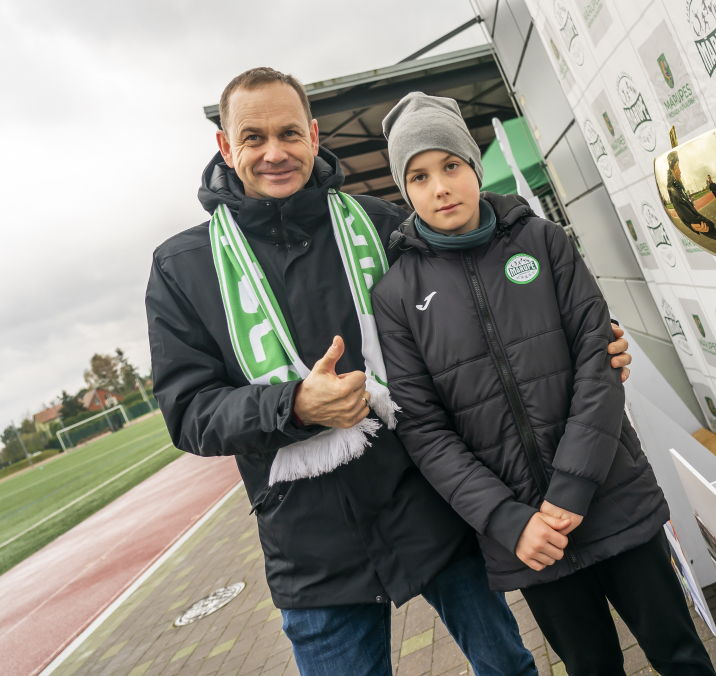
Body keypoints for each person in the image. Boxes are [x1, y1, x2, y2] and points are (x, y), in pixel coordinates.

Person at [145, 69, 633, 676]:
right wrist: (292, 405)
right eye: (254, 137)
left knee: (509, 668)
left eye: (290, 133)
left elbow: (482, 320)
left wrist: (589, 349)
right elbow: (188, 413)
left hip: (430, 511)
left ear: (316, 136)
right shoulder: (182, 267)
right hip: (311, 550)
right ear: (225, 147)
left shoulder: (381, 225)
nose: (275, 153)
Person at [372, 93, 716, 676]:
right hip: (527, 538)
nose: (440, 188)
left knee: (679, 654)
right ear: (406, 191)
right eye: (419, 176)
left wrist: (569, 493)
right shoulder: (397, 295)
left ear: (473, 167)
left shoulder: (543, 242)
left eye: (451, 166)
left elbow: (598, 360)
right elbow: (426, 431)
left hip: (609, 498)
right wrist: (512, 522)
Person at [666, 152, 716, 251]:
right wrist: (707, 223)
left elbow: (685, 210)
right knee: (710, 229)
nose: (680, 172)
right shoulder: (674, 190)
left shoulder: (677, 188)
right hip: (701, 223)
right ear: (673, 169)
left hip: (698, 219)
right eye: (678, 167)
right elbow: (684, 213)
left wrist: (690, 202)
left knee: (712, 231)